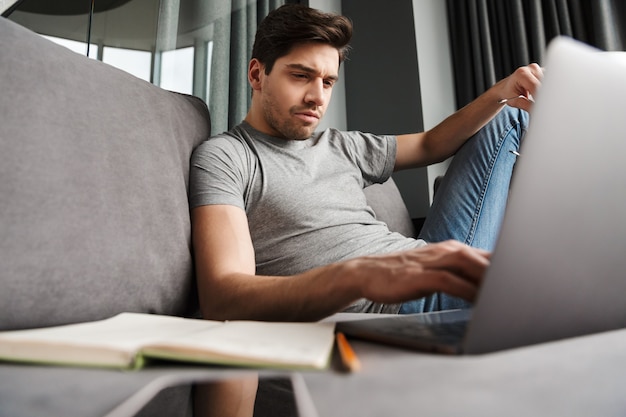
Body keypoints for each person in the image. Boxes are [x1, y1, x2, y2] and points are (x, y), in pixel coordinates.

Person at [189, 4, 542, 323]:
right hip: (405, 307)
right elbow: (223, 296)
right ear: (256, 75)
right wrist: (354, 276)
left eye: (327, 82)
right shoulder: (227, 157)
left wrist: (502, 90)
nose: (317, 97)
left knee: (510, 108)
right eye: (300, 76)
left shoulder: (341, 145)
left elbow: (429, 143)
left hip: (431, 267)